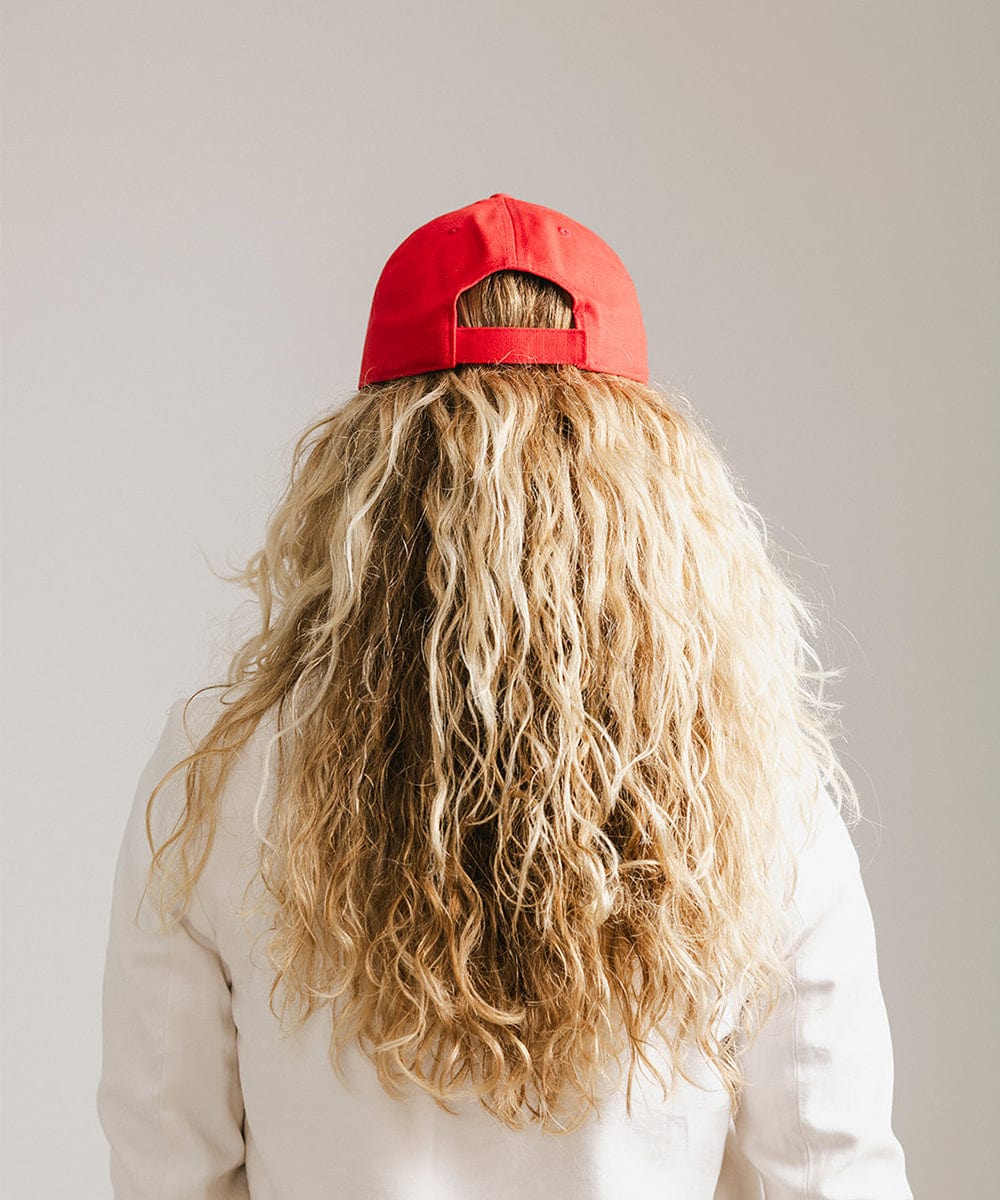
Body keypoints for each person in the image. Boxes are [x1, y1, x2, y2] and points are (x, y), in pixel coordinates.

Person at [96, 193, 914, 1199]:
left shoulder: (223, 776)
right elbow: (828, 1180)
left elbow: (167, 1175)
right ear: (650, 484)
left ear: (367, 474)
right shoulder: (755, 794)